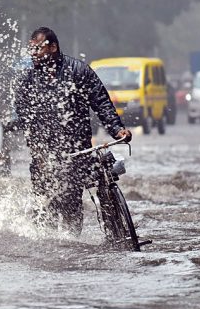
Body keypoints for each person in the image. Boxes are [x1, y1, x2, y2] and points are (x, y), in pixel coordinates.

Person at [14, 26, 132, 236]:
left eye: (38, 49)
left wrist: (118, 130)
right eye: (30, 50)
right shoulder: (27, 80)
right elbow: (25, 119)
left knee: (71, 204)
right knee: (46, 207)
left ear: (53, 47)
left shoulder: (78, 71)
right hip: (44, 156)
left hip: (76, 152)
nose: (33, 54)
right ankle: (49, 247)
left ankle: (72, 244)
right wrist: (37, 148)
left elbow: (102, 103)